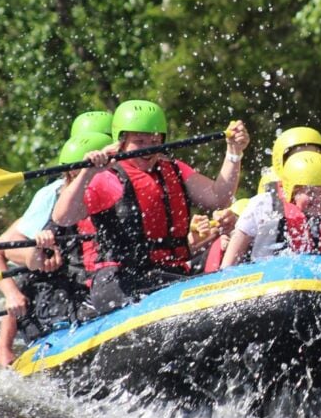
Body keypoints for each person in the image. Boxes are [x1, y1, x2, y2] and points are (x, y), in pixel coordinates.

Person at [52, 100, 249, 314]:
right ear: (122, 142)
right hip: (121, 280)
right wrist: (87, 172)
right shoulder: (108, 177)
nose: (148, 149)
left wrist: (234, 153)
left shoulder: (175, 170)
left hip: (170, 273)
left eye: (155, 141)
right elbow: (63, 217)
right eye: (139, 141)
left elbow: (219, 197)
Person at [0, 130, 113, 366]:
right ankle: (5, 348)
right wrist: (5, 346)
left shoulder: (119, 187)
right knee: (31, 275)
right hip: (55, 291)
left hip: (95, 283)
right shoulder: (52, 196)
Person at [220, 151, 321, 267]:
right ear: (290, 190)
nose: (318, 199)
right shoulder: (262, 207)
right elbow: (228, 265)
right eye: (310, 192)